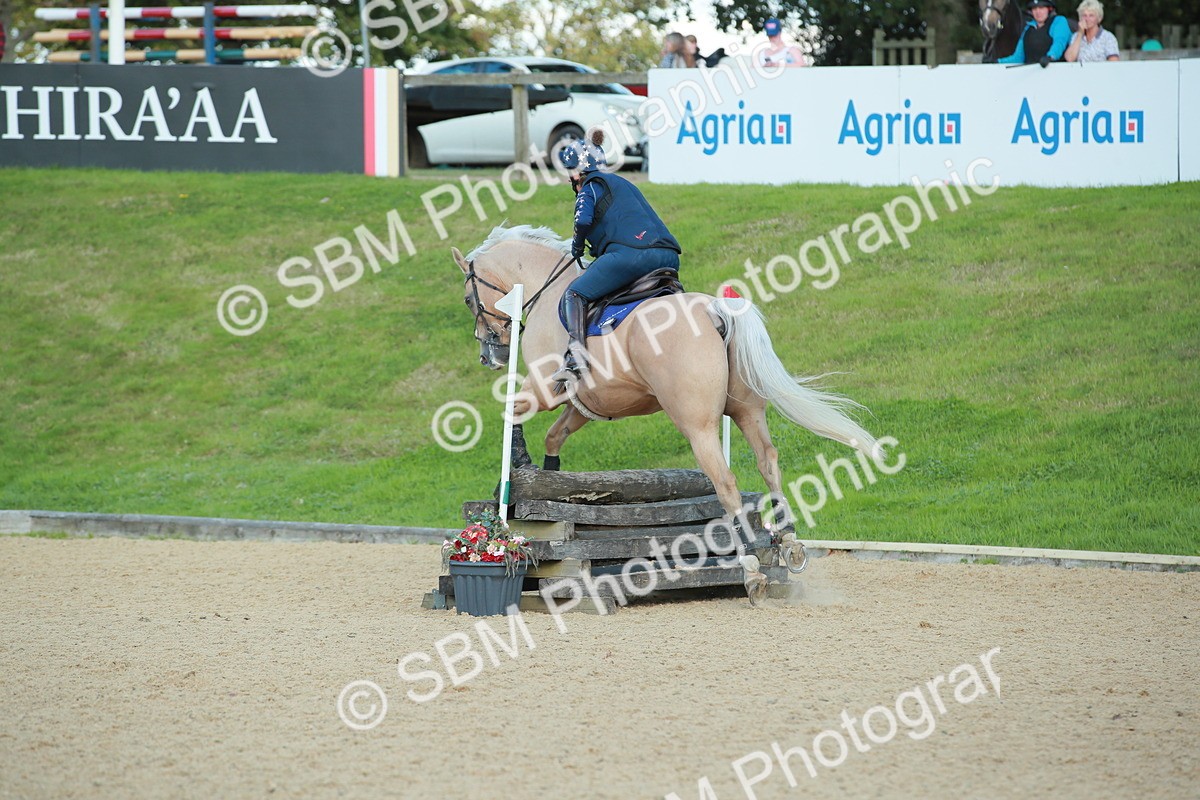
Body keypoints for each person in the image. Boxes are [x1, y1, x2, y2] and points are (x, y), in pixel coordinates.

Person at [551, 128, 683, 383]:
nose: (571, 179)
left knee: (574, 293)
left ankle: (576, 356)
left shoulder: (591, 186)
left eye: (571, 174)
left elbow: (583, 220)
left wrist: (577, 247)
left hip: (633, 256)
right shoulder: (624, 184)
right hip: (668, 257)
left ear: (578, 172)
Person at [999, 0, 1073, 66]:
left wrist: (1050, 57)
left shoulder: (1059, 22)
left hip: (1057, 71)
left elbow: (1059, 43)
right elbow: (1018, 58)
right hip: (1033, 74)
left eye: (1041, 8)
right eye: (1034, 8)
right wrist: (997, 61)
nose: (1038, 12)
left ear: (1049, 9)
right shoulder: (1027, 28)